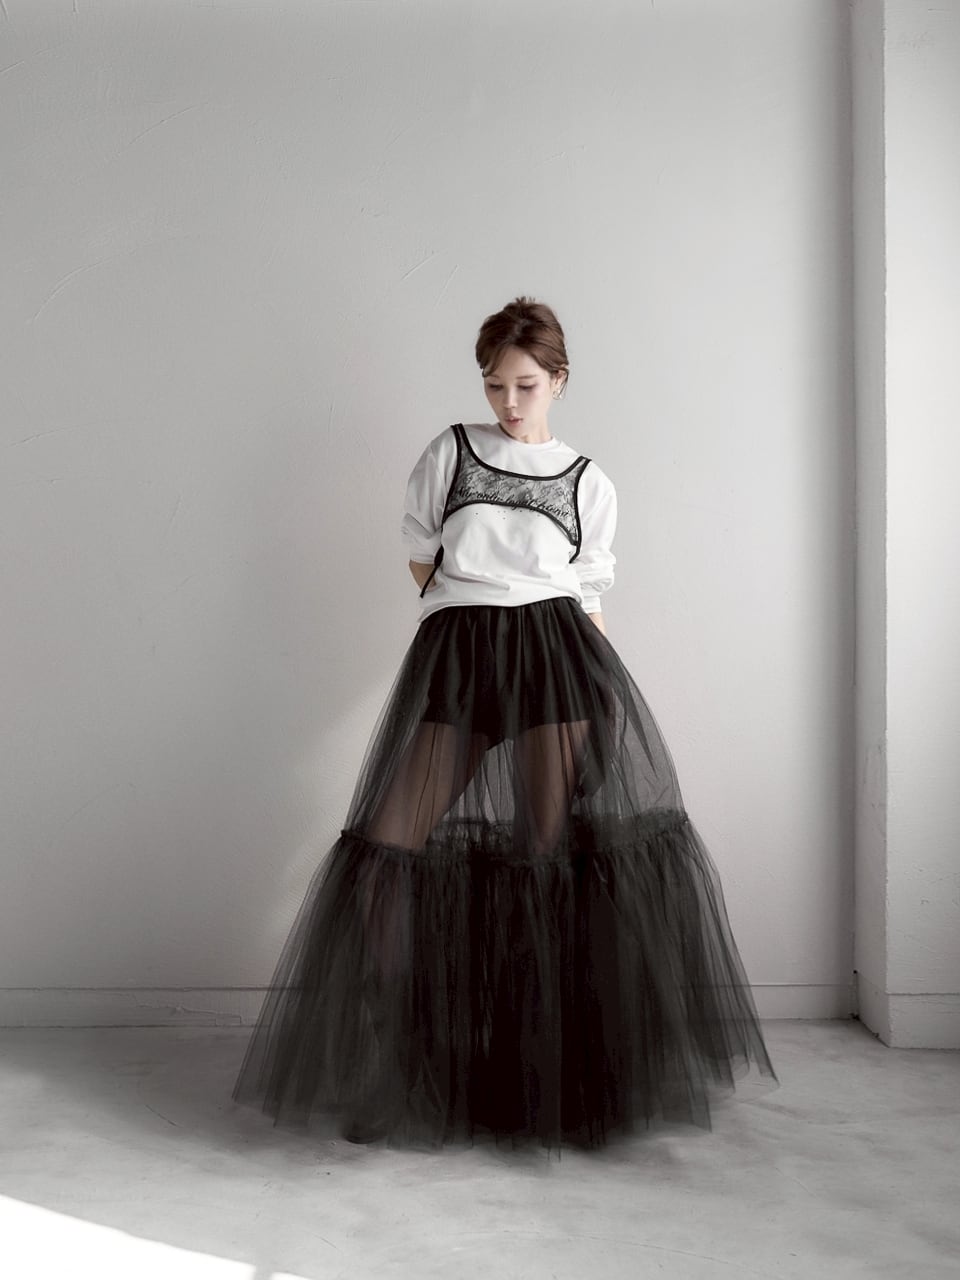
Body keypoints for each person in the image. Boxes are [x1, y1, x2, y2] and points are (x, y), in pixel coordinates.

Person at [233, 296, 777, 1151]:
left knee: (541, 860)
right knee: (387, 849)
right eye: (494, 385)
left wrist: (603, 705)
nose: (509, 402)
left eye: (525, 385)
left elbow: (588, 593)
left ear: (559, 380)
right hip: (462, 661)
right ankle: (404, 1059)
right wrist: (469, 610)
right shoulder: (450, 452)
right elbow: (422, 553)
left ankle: (537, 1081)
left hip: (558, 666)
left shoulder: (587, 480)